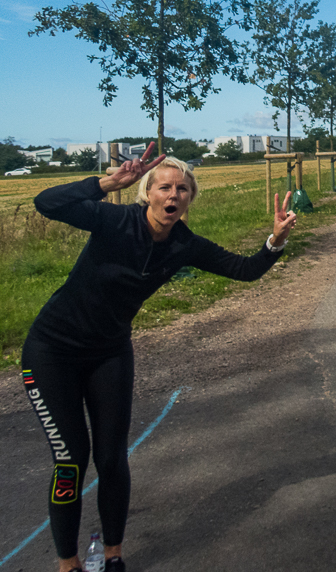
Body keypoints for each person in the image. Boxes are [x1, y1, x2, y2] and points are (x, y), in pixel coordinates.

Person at [22, 145, 297, 572]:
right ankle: (68, 563)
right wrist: (107, 184)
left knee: (112, 457)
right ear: (147, 192)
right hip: (52, 351)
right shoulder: (114, 220)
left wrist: (274, 240)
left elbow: (244, 270)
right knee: (71, 460)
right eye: (164, 186)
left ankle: (113, 557)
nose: (173, 194)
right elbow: (46, 203)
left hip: (110, 352)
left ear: (190, 198)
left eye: (183, 188)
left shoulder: (184, 245)